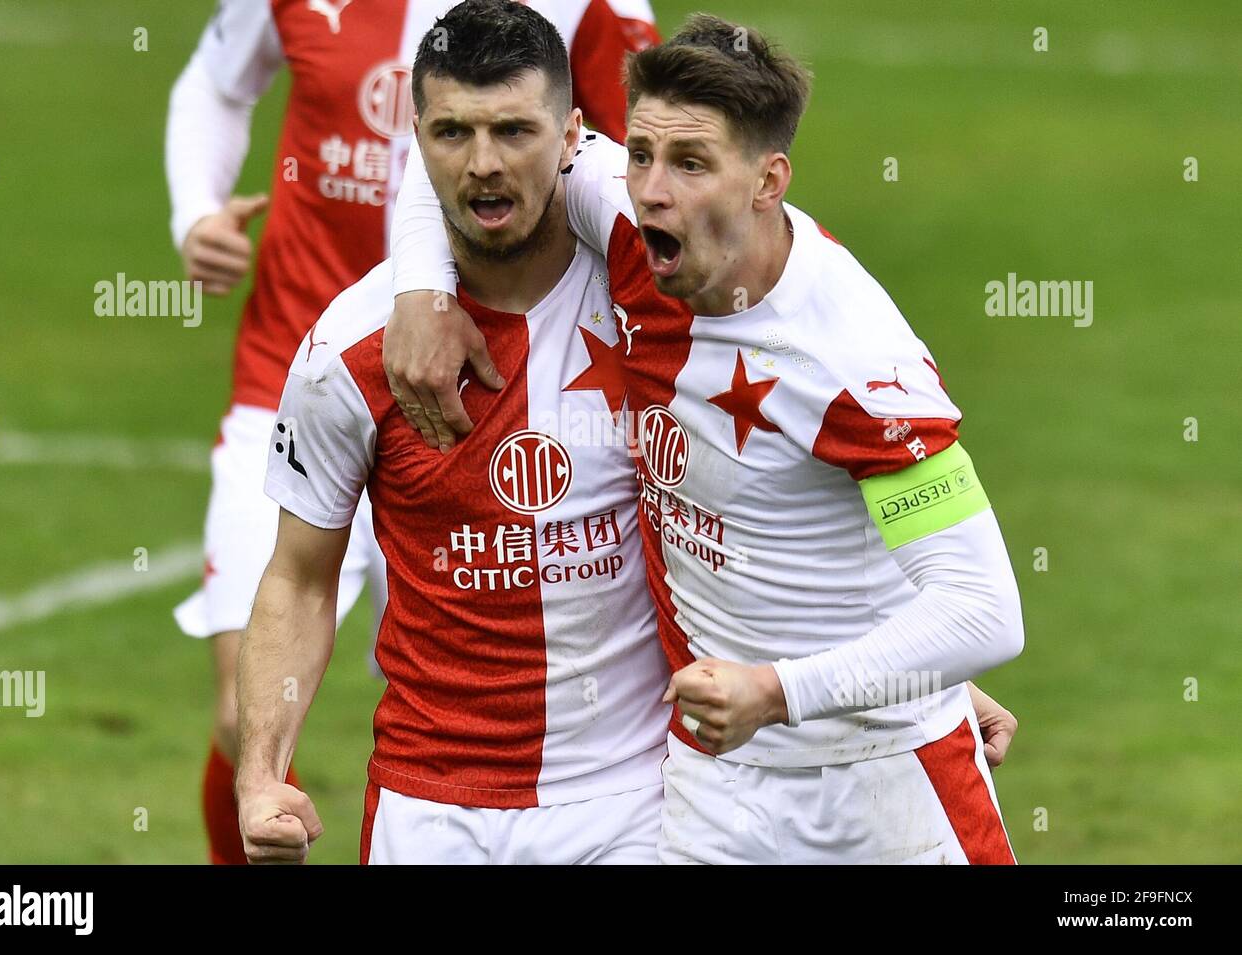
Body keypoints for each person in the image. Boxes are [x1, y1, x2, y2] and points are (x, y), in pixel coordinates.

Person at [382, 14, 1025, 863]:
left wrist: (784, 688)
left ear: (768, 182)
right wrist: (420, 290)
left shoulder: (855, 361)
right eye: (641, 153)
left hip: (881, 786)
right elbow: (467, 162)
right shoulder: (628, 217)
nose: (650, 188)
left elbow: (984, 612)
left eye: (691, 164)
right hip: (711, 787)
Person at [163, 0, 660, 864]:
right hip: (309, 370)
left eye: (512, 128)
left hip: (546, 354)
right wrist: (193, 210)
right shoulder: (342, 346)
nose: (484, 157)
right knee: (250, 714)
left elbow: (645, 163)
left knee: (492, 661)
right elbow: (214, 79)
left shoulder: (586, 14)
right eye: (452, 133)